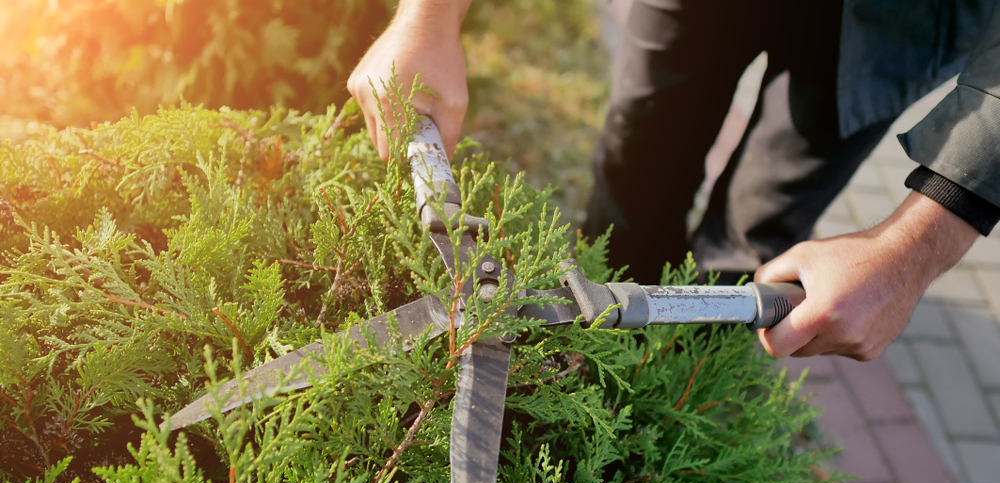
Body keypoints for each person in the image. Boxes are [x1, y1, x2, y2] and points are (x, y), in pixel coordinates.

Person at [348, 0, 1000, 361]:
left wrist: (917, 243)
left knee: (754, 240)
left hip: (894, 22)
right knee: (636, 175)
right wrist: (427, 18)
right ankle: (593, 360)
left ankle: (679, 378)